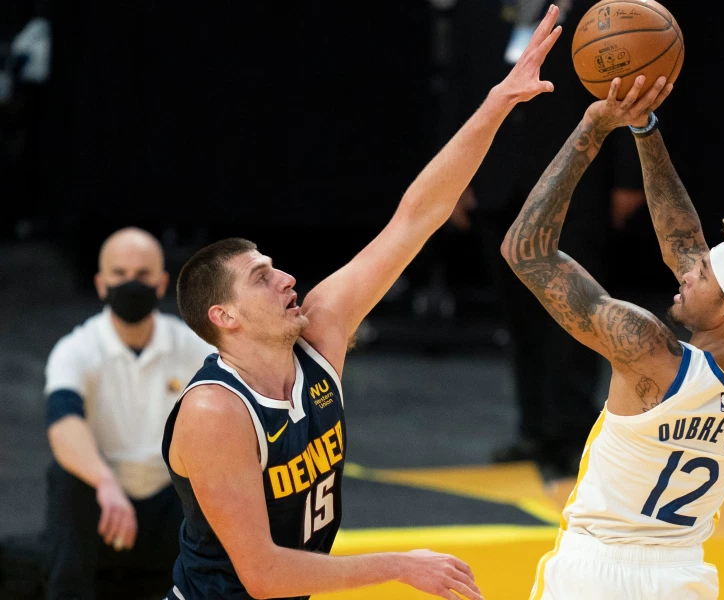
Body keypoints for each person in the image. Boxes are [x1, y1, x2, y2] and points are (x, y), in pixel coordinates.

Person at [161, 8, 564, 600]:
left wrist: (497, 103)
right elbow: (262, 575)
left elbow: (415, 219)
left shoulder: (320, 331)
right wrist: (400, 564)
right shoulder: (215, 413)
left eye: (275, 267)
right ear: (225, 317)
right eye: (261, 277)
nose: (287, 279)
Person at [502, 76, 724, 599]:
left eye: (705, 274)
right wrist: (645, 130)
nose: (690, 270)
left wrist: (592, 128)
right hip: (683, 579)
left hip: (595, 573)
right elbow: (689, 248)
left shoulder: (648, 352)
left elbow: (526, 252)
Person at [445, 0, 646, 479]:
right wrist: (454, 178)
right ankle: (534, 428)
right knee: (519, 318)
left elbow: (629, 93)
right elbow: (458, 90)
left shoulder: (601, 15)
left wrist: (628, 176)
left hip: (576, 189)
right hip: (499, 186)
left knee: (577, 315)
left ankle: (574, 434)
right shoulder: (478, 11)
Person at [43, 227, 215, 600]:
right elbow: (63, 424)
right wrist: (105, 483)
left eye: (142, 274)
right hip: (103, 506)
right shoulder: (75, 350)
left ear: (162, 283)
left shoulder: (194, 347)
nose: (131, 284)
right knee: (66, 478)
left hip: (173, 502)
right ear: (100, 284)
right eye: (119, 274)